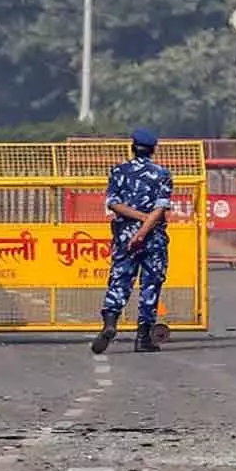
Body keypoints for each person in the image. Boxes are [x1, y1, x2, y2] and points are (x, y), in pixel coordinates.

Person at [91, 129, 174, 355]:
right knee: (150, 284)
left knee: (120, 279)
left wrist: (135, 228)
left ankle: (110, 323)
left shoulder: (119, 171)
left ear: (132, 146)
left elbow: (113, 204)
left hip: (123, 236)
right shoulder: (162, 174)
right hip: (153, 238)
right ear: (153, 149)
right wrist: (144, 228)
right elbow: (160, 208)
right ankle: (143, 338)